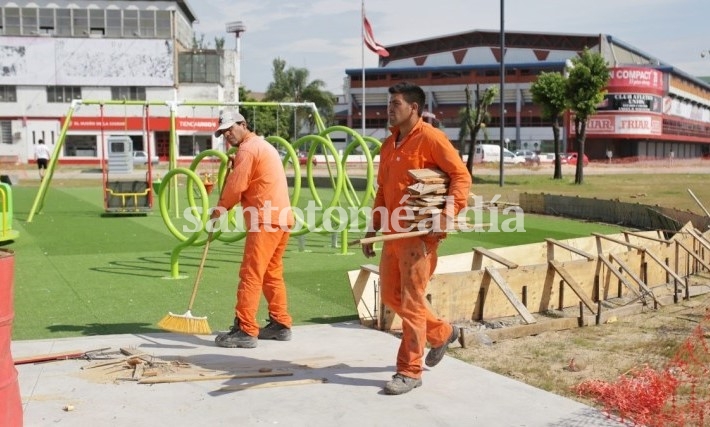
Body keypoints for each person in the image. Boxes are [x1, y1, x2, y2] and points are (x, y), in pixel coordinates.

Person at [361, 82, 472, 395]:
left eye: (395, 103)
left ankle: (409, 371)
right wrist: (373, 229)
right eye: (389, 103)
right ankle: (442, 332)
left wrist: (447, 214)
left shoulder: (432, 138)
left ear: (413, 108)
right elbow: (383, 190)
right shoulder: (388, 145)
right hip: (393, 233)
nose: (389, 108)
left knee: (411, 302)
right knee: (391, 297)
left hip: (419, 235)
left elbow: (461, 176)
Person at [210, 110, 295, 349]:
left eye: (230, 129)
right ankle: (280, 324)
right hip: (281, 218)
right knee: (271, 273)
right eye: (223, 132)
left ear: (243, 124)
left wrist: (219, 209)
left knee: (251, 274)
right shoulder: (261, 146)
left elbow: (237, 186)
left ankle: (245, 330)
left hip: (265, 220)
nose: (227, 134)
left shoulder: (247, 150)